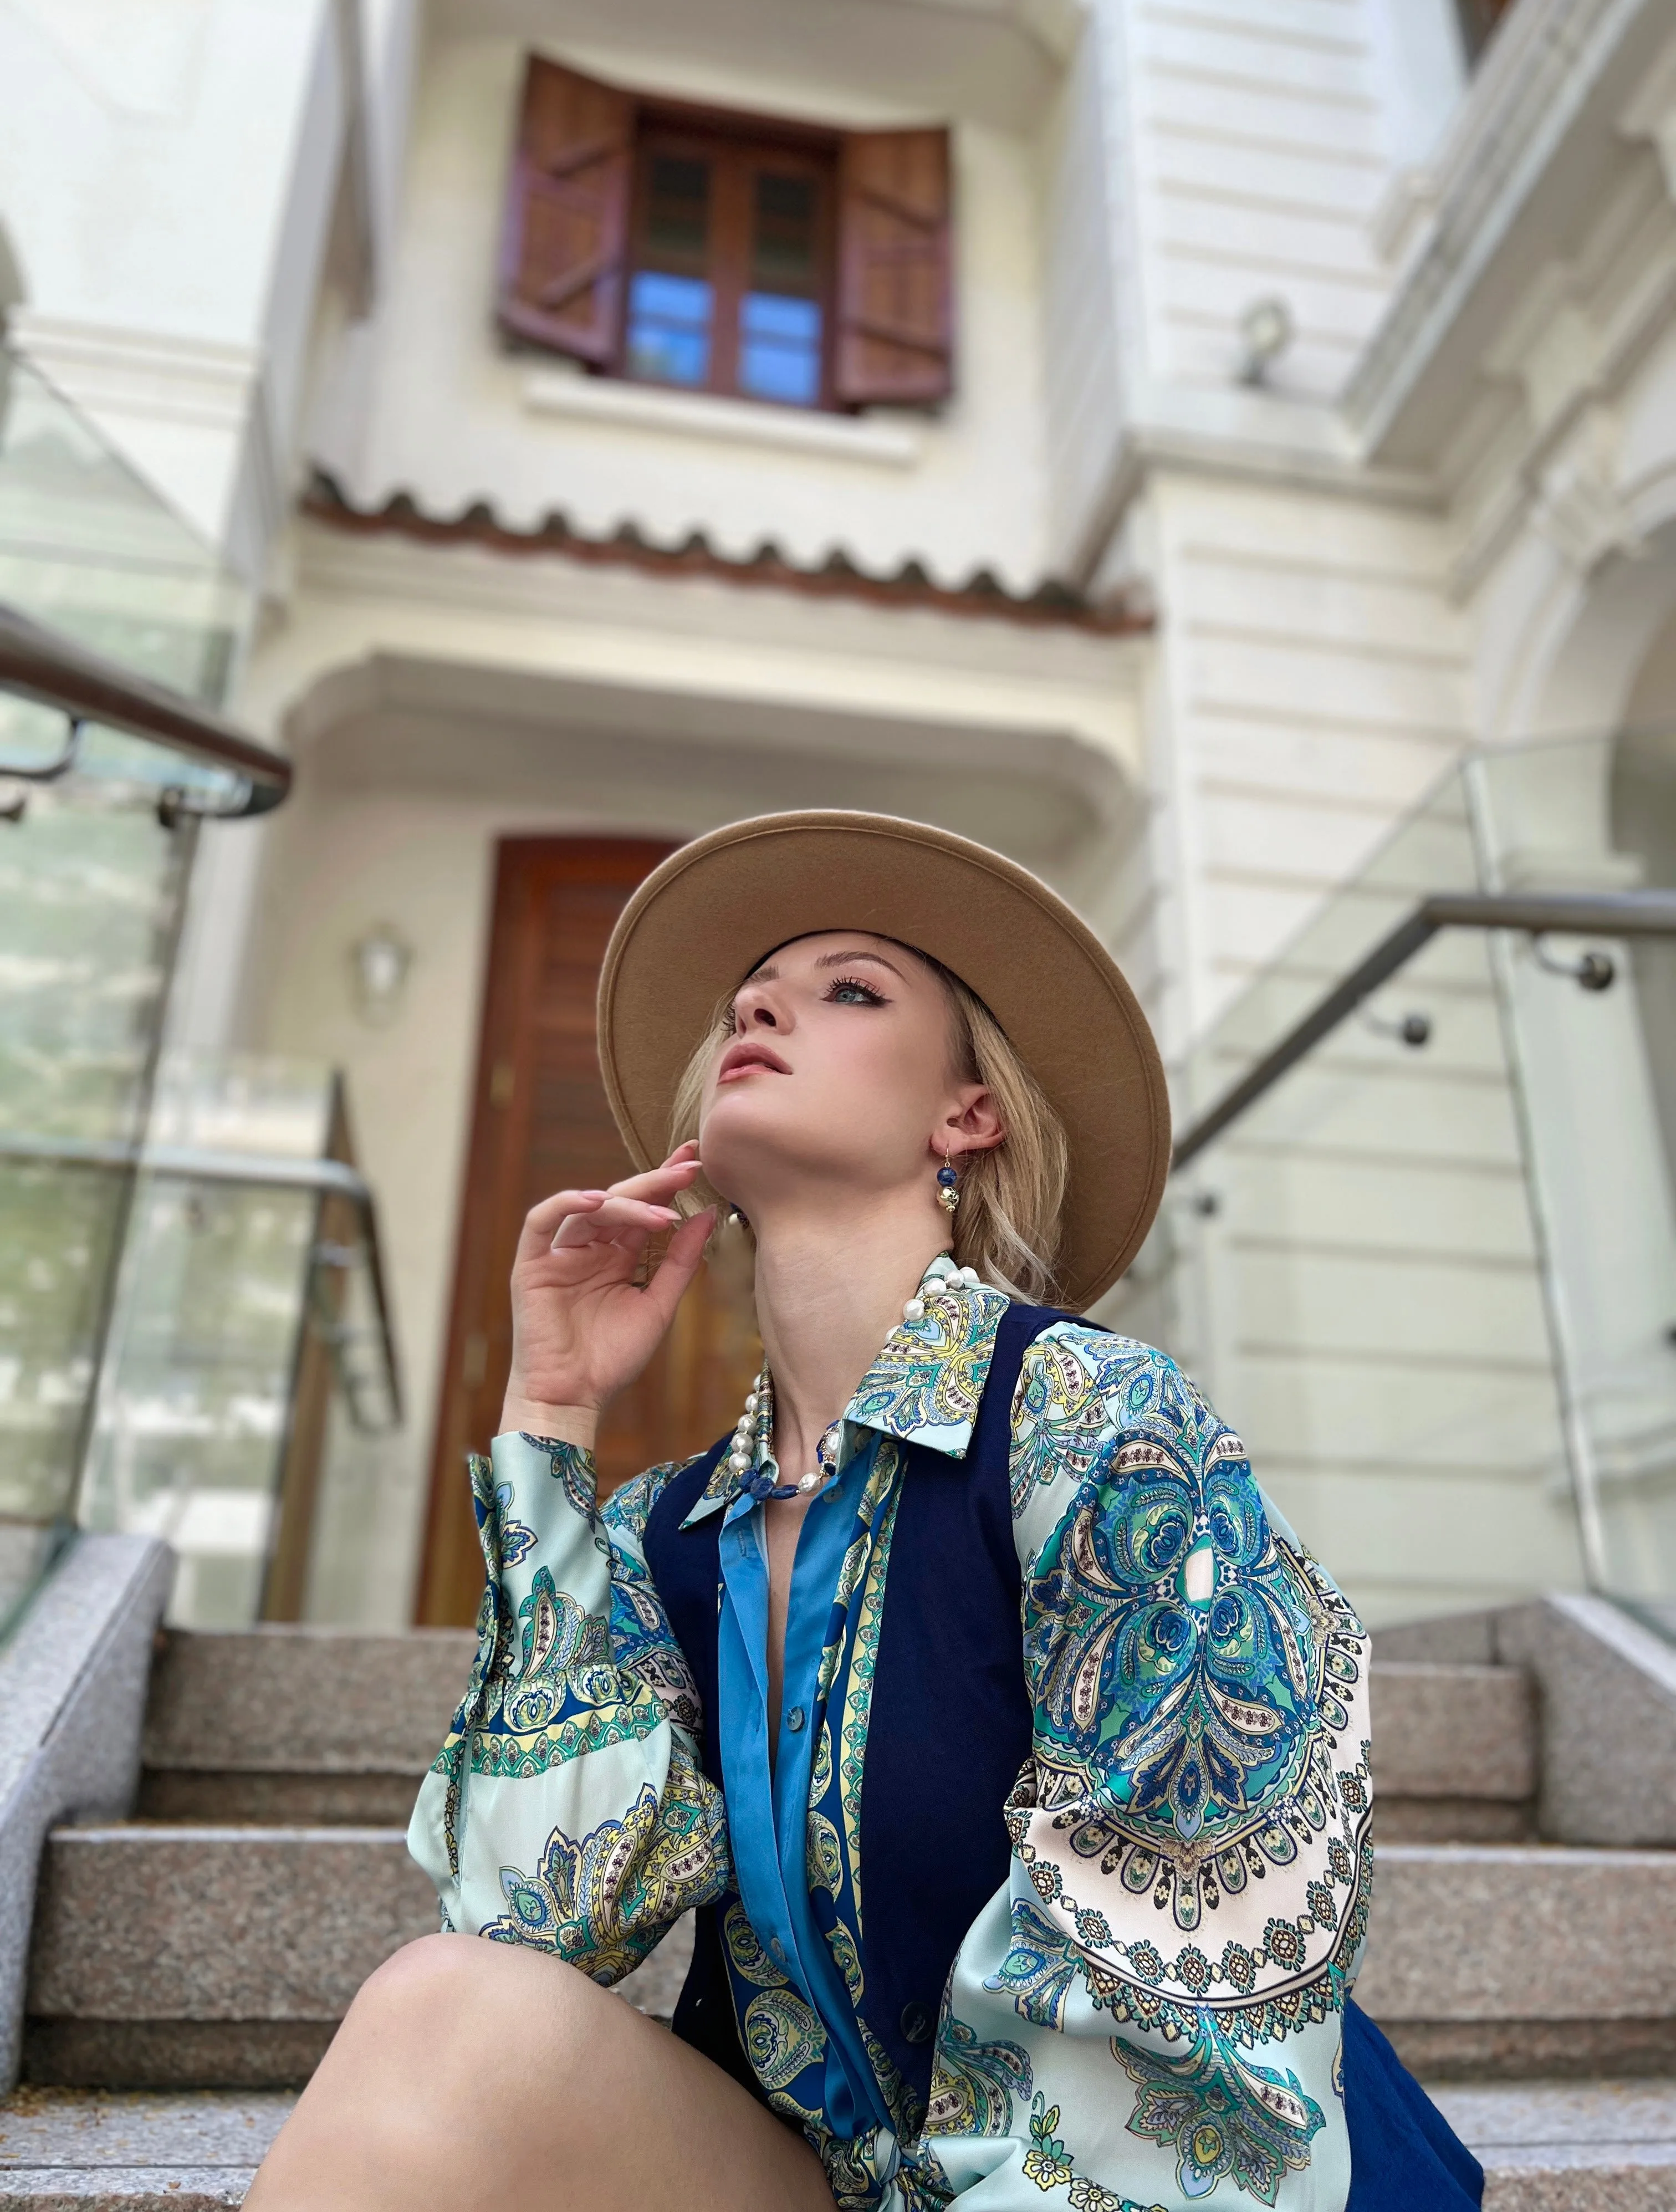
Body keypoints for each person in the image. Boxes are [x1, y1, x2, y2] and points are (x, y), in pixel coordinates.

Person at [247, 811, 1482, 2212]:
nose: (758, 1005)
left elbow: (1195, 1971)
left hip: (1157, 2186)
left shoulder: (1093, 1419)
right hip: (831, 2177)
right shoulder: (667, 1535)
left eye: (848, 989)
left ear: (968, 1115)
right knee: (444, 2008)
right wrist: (550, 1411)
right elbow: (539, 1914)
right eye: (745, 1001)